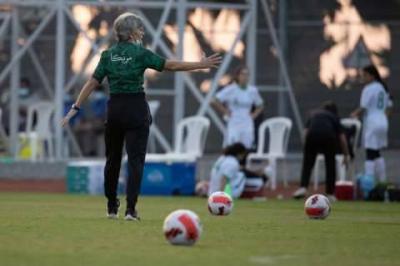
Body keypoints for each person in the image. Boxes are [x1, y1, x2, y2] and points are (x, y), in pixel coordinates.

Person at [62, 12, 221, 221]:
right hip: (136, 108)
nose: (142, 31)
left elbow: (92, 82)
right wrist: (200, 65)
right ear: (132, 32)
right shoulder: (140, 53)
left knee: (112, 160)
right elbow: (170, 65)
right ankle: (130, 210)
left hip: (115, 109)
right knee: (136, 161)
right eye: (140, 28)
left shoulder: (107, 55)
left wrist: (75, 107)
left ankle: (111, 207)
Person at [293, 101, 350, 201]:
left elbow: (305, 132)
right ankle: (330, 193)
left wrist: (307, 149)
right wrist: (346, 155)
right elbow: (342, 138)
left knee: (308, 164)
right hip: (328, 136)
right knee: (330, 164)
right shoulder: (334, 117)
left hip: (312, 136)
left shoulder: (314, 114)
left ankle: (303, 188)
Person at [351, 65, 393, 182]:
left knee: (370, 151)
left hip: (372, 122)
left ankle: (369, 181)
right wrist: (383, 118)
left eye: (364, 75)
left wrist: (353, 114)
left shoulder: (369, 88)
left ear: (371, 75)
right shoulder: (383, 88)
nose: (363, 78)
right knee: (376, 152)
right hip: (383, 121)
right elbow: (389, 106)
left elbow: (363, 107)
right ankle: (382, 181)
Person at [212, 66, 264, 149]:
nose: (245, 77)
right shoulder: (231, 89)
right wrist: (225, 111)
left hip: (247, 123)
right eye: (243, 74)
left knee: (246, 147)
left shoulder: (252, 90)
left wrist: (254, 115)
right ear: (237, 76)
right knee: (233, 147)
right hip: (234, 123)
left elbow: (260, 105)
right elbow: (215, 100)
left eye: (247, 75)